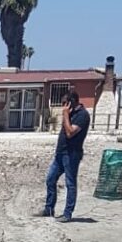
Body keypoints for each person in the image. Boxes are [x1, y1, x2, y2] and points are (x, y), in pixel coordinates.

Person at [37, 91, 90, 222]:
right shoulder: (70, 113)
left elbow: (70, 132)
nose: (63, 107)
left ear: (71, 102)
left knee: (70, 183)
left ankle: (67, 214)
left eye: (64, 103)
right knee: (50, 179)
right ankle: (49, 209)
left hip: (72, 154)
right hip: (60, 153)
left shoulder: (82, 115)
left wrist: (65, 115)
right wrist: (67, 114)